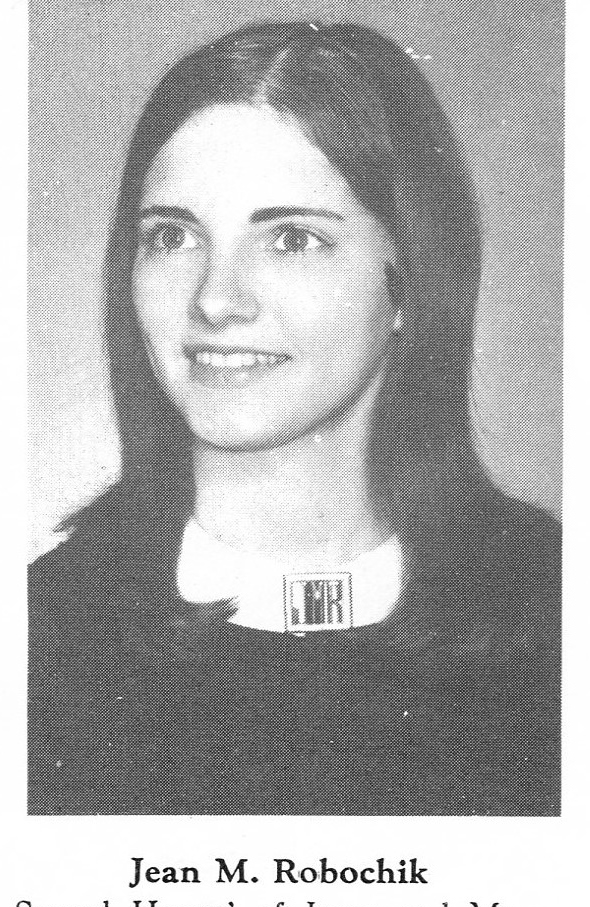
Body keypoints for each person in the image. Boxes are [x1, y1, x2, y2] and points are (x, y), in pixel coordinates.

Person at [29, 20, 560, 816]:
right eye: (172, 236)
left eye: (292, 240)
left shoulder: (555, 608)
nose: (216, 300)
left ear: (410, 280)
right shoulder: (39, 639)